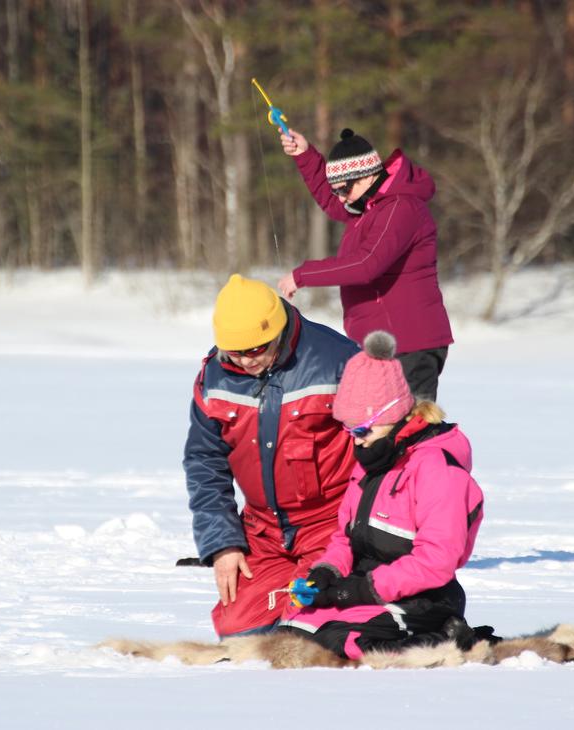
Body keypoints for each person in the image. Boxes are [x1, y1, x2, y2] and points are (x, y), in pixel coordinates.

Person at [277, 330, 484, 660]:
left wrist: (361, 590)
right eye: (349, 430)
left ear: (390, 415)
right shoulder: (373, 460)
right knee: (291, 632)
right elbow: (346, 539)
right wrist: (326, 574)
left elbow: (437, 562)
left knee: (344, 642)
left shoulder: (436, 467)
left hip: (425, 597)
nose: (355, 441)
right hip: (371, 589)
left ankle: (446, 637)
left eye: (361, 430)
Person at [184, 274, 359, 638]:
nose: (246, 361)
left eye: (256, 349)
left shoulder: (339, 361)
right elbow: (205, 463)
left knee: (306, 626)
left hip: (331, 526)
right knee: (238, 634)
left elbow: (383, 451)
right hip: (263, 531)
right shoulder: (213, 378)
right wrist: (223, 544)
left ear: (277, 331)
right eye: (235, 351)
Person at [277, 128, 453, 403]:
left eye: (344, 189)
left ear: (368, 175)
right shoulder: (371, 206)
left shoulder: (400, 208)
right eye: (337, 190)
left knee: (408, 436)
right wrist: (306, 155)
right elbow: (332, 199)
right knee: (375, 438)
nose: (341, 198)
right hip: (384, 346)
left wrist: (302, 275)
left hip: (410, 346)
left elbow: (366, 264)